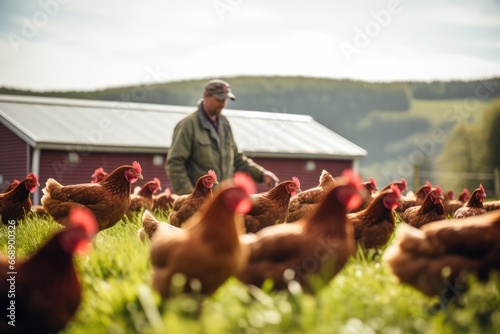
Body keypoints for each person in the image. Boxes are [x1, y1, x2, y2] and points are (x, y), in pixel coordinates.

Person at [166, 79, 280, 195]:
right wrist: (190, 197)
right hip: (199, 201)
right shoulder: (188, 125)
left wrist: (262, 174)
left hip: (222, 201)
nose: (222, 103)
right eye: (219, 99)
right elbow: (175, 164)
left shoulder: (225, 124)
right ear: (206, 96)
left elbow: (237, 159)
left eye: (225, 100)